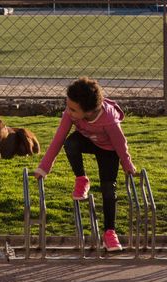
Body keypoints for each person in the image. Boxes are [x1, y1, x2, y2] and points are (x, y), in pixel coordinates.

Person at [32, 77, 136, 252]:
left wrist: (127, 165)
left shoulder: (109, 118)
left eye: (73, 109)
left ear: (88, 111)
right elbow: (58, 139)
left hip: (108, 149)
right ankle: (81, 179)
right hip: (86, 141)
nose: (68, 111)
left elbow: (120, 144)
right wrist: (44, 168)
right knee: (71, 144)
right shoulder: (70, 114)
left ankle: (110, 232)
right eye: (68, 106)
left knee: (109, 189)